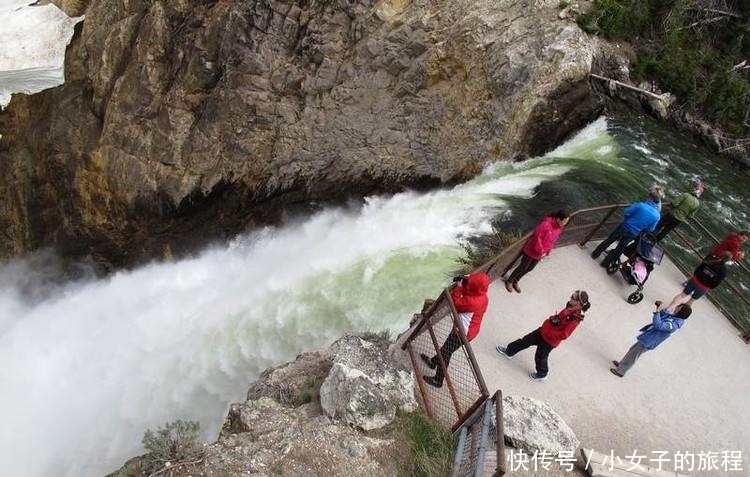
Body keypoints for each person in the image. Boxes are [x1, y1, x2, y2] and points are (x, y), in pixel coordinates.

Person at [495, 290, 590, 381]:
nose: (570, 298)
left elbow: (564, 334)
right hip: (544, 330)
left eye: (572, 297)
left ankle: (542, 373)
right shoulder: (570, 306)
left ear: (578, 303)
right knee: (525, 340)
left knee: (540, 357)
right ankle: (509, 351)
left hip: (549, 341)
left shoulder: (575, 319)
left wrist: (550, 334)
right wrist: (551, 320)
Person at [422, 272, 490, 388]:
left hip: (462, 334)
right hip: (467, 330)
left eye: (469, 282)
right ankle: (433, 362)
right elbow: (470, 289)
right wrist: (464, 279)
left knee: (445, 353)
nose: (466, 283)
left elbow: (456, 303)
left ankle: (438, 380)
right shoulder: (482, 296)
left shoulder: (473, 302)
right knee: (446, 349)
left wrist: (458, 287)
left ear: (474, 286)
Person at [610, 301, 692, 377]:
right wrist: (661, 310)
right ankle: (621, 364)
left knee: (633, 355)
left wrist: (657, 313)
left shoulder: (674, 324)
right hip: (648, 337)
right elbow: (664, 316)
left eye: (678, 307)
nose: (676, 307)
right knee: (632, 350)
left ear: (680, 312)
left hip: (649, 341)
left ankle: (620, 371)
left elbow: (659, 325)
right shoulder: (675, 317)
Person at [504, 210, 571, 293]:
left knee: (530, 268)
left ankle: (516, 280)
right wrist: (541, 250)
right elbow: (537, 237)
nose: (565, 223)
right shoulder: (546, 224)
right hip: (532, 249)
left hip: (540, 252)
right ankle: (510, 281)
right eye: (564, 221)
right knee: (523, 266)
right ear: (558, 219)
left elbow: (553, 240)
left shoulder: (559, 228)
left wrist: (548, 250)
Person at [590, 192, 661, 269]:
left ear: (651, 199)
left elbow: (626, 212)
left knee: (610, 240)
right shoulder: (657, 216)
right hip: (634, 233)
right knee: (621, 247)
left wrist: (627, 219)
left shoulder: (641, 205)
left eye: (648, 197)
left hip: (625, 226)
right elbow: (650, 229)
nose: (647, 198)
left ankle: (595, 254)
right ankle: (606, 263)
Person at [667, 251, 732, 308]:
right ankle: (679, 314)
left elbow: (699, 268)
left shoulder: (710, 259)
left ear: (721, 254)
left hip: (695, 280)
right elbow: (717, 282)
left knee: (682, 295)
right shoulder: (723, 270)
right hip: (703, 287)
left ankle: (669, 307)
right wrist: (709, 287)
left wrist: (695, 276)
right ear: (728, 260)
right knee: (691, 300)